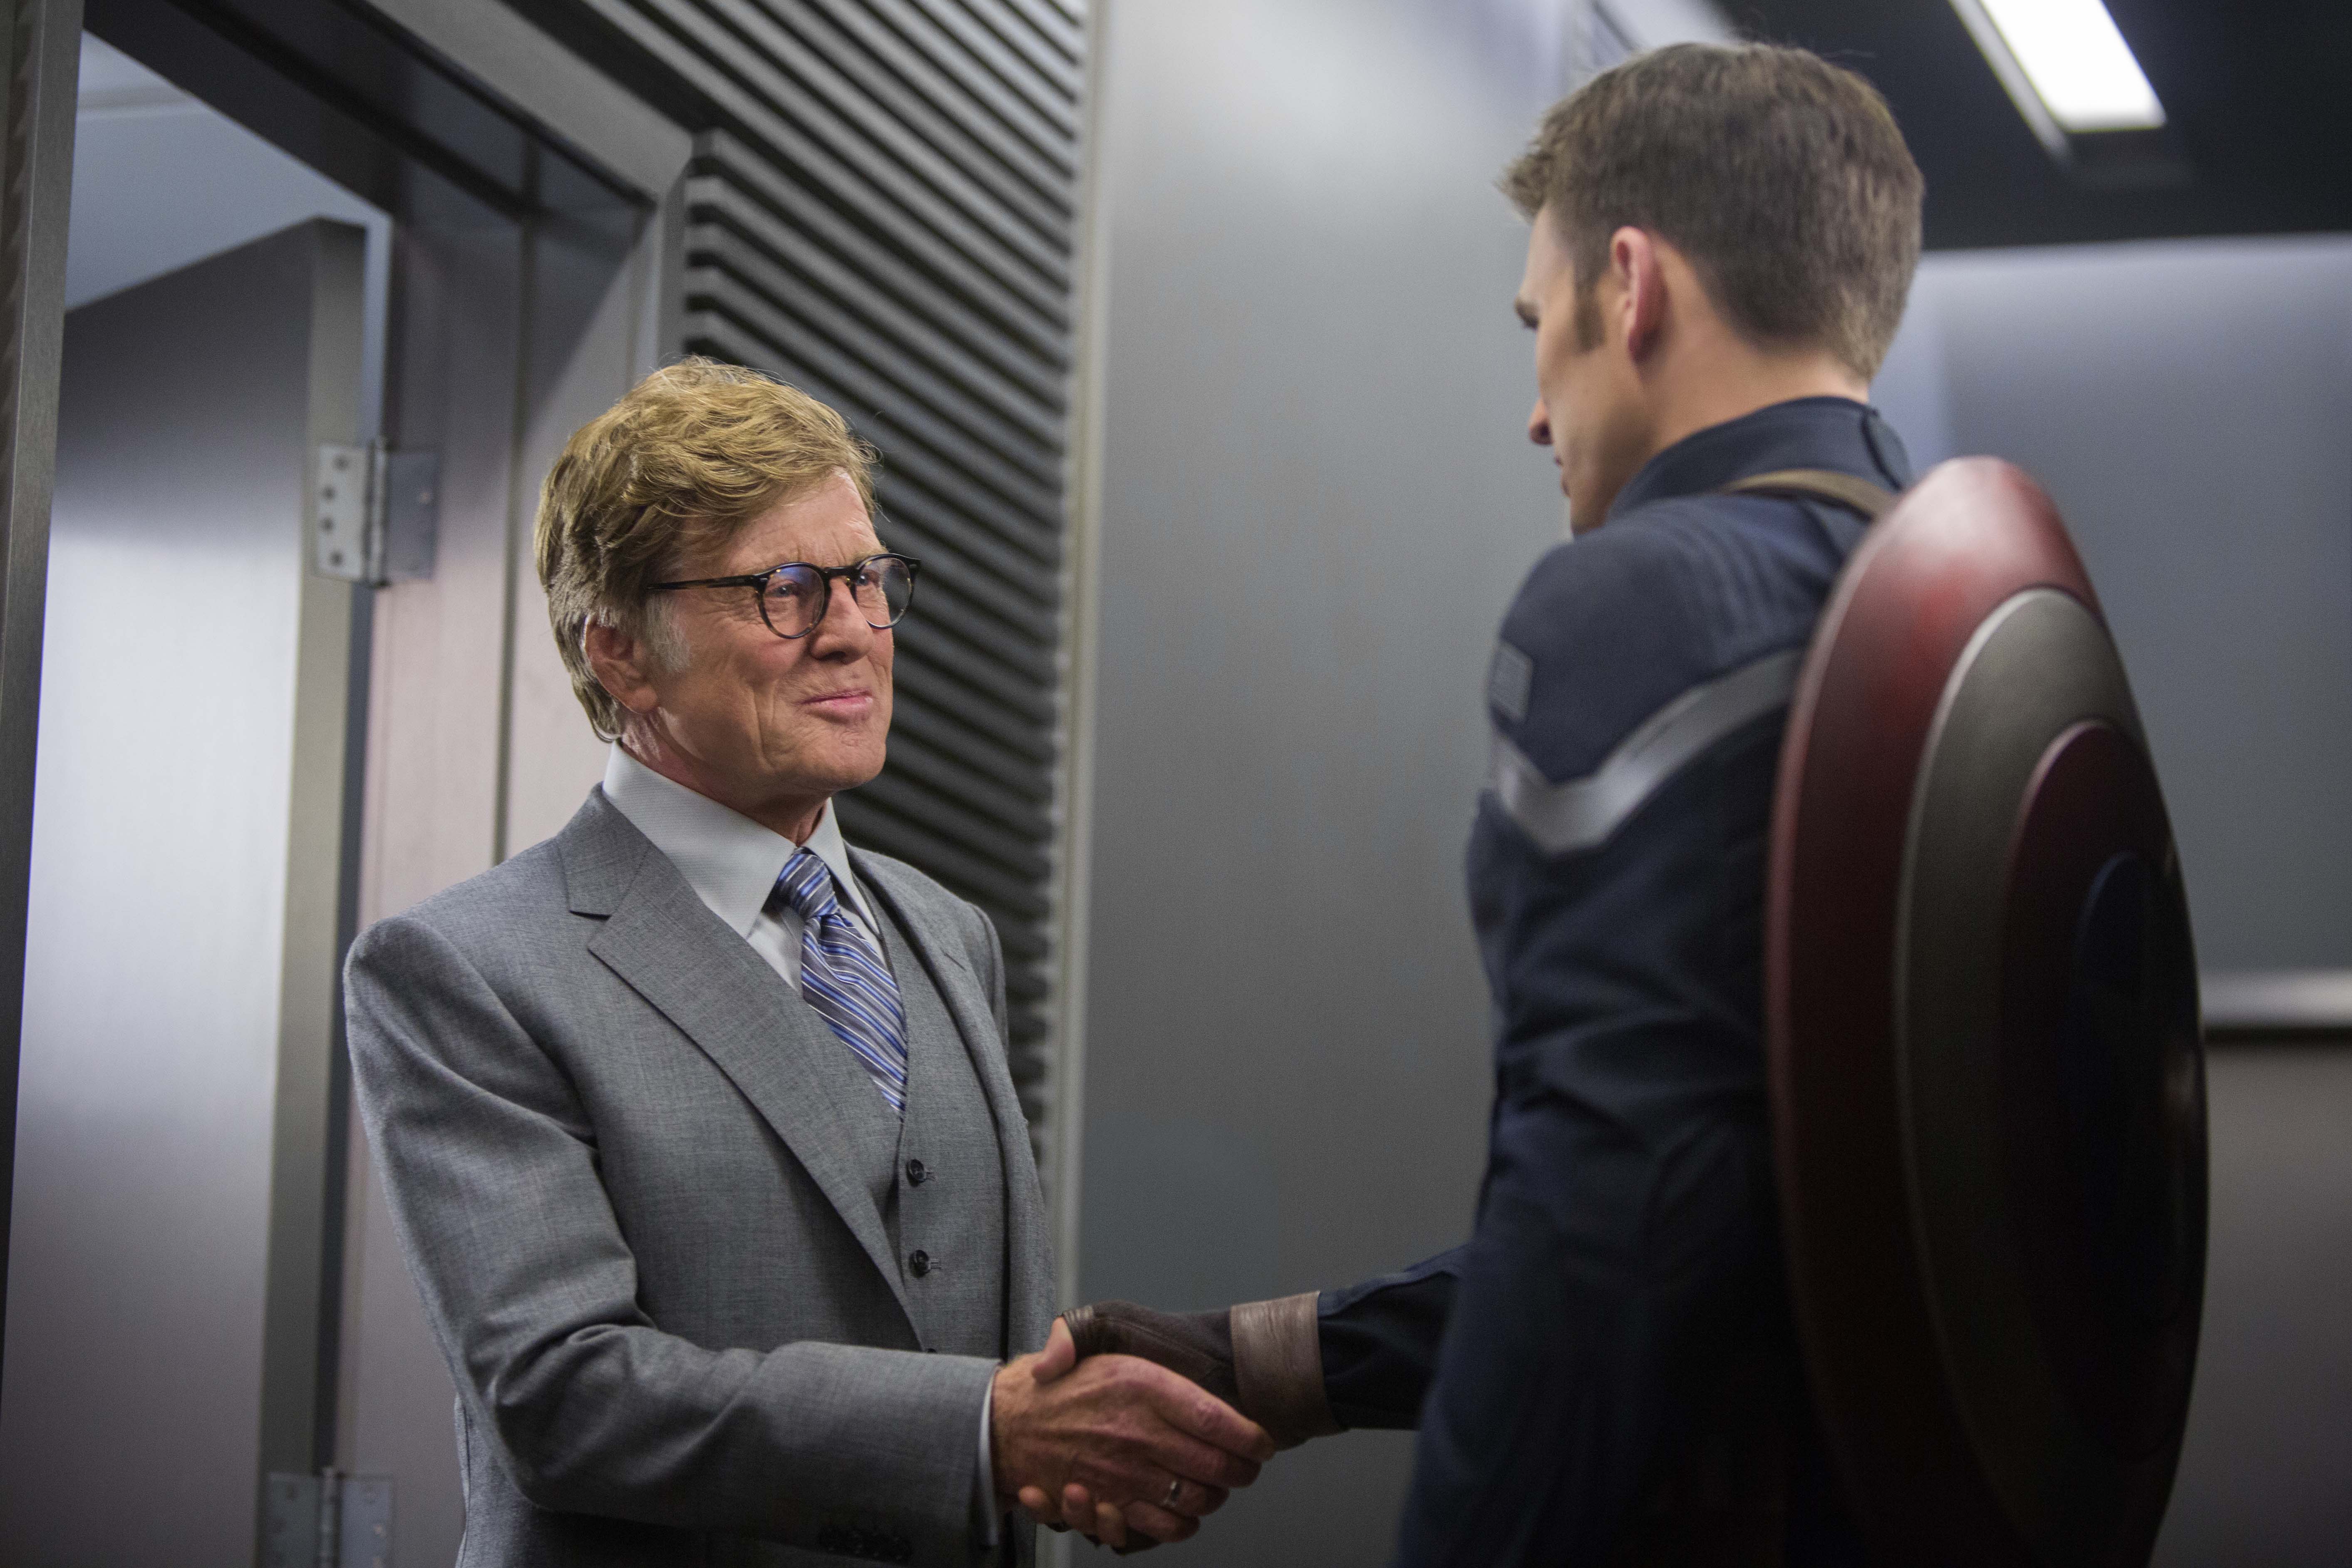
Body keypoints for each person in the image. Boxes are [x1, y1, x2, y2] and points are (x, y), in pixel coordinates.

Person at [1036, 42, 1925, 1565]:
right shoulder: (1956, 628)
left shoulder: (1647, 601)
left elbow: (1601, 1231)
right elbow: (1741, 1217)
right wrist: (1260, 1360)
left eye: (1536, 327)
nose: (1533, 414)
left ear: (1628, 287)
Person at [344, 360, 1273, 1566]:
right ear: (622, 653)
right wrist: (982, 1435)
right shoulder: (462, 971)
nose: (851, 633)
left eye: (868, 580)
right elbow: (560, 1398)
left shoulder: (948, 932)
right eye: (782, 591)